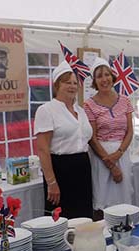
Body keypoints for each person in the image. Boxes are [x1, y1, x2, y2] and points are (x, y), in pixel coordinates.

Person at [34, 61, 93, 219]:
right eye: (67, 82)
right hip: (61, 169)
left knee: (83, 215)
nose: (72, 86)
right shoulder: (47, 110)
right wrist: (52, 182)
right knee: (62, 218)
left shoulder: (80, 111)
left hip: (82, 167)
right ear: (57, 85)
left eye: (75, 83)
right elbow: (43, 149)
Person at [83, 57, 134, 212]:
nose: (104, 79)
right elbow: (92, 137)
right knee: (103, 201)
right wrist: (111, 164)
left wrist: (119, 153)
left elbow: (130, 131)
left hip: (122, 154)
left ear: (112, 77)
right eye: (99, 76)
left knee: (123, 199)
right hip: (101, 158)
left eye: (107, 75)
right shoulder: (88, 104)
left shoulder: (125, 100)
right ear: (95, 82)